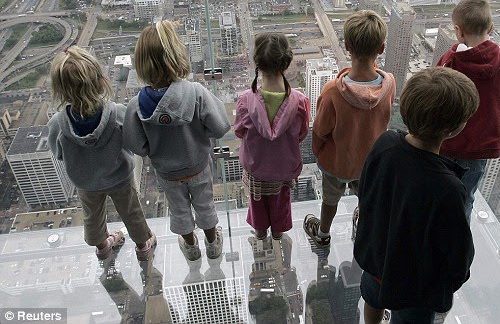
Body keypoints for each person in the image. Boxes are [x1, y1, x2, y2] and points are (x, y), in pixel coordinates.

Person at [354, 67, 480, 324]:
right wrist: (449, 284)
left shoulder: (385, 143)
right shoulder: (449, 188)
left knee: (372, 298)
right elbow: (458, 254)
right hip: (415, 288)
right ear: (452, 129)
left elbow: (365, 192)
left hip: (376, 261)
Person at [124, 21, 230, 261]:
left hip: (167, 171)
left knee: (179, 210)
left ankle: (191, 247)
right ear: (176, 54)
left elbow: (137, 145)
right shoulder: (195, 92)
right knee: (205, 205)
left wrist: (155, 147)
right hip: (198, 166)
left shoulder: (136, 106)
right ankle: (213, 243)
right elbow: (221, 126)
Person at [47, 46, 156, 261]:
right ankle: (143, 246)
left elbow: (58, 153)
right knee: (131, 211)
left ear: (60, 90)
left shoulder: (58, 124)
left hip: (86, 181)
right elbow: (135, 143)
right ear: (99, 80)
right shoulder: (116, 114)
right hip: (119, 177)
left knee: (93, 217)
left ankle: (102, 246)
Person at [304, 10, 395, 248]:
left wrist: (319, 152)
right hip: (370, 163)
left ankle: (323, 234)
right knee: (366, 198)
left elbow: (320, 130)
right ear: (381, 49)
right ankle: (364, 228)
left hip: (336, 163)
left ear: (347, 47)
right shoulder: (389, 84)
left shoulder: (333, 91)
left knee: (330, 200)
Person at [437, 0, 500, 218]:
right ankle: (459, 242)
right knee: (466, 197)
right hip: (479, 147)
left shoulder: (451, 61)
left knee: (438, 192)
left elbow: (435, 85)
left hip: (448, 141)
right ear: (491, 27)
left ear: (459, 32)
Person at [234, 33, 310, 240]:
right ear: (286, 62)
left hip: (256, 168)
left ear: (257, 63)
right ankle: (278, 234)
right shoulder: (300, 102)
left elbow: (240, 131)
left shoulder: (245, 101)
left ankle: (260, 234)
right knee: (280, 201)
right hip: (284, 168)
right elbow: (302, 133)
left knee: (257, 203)